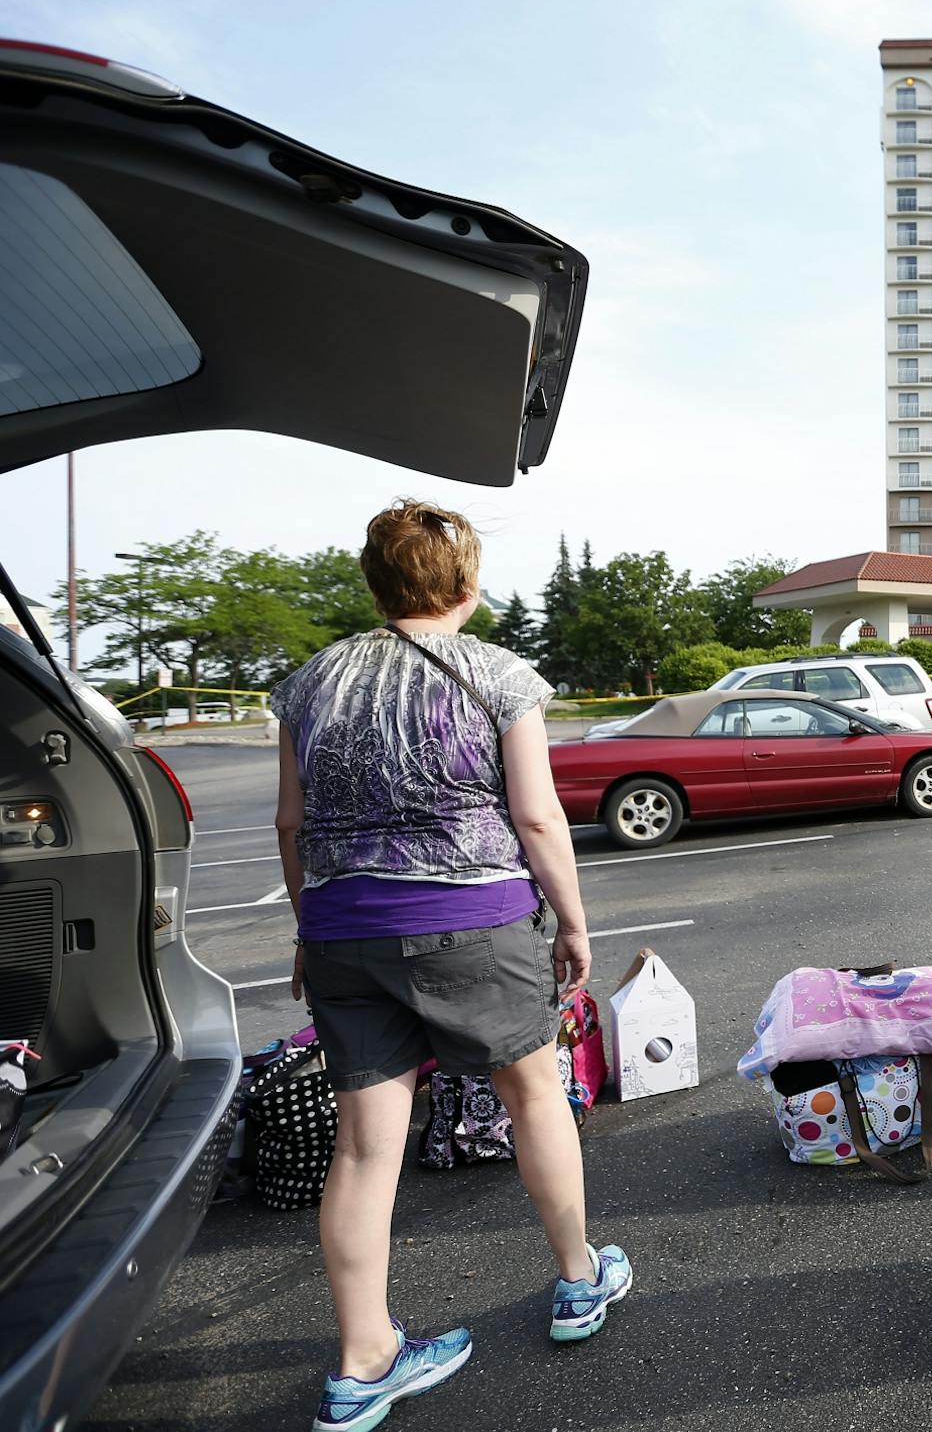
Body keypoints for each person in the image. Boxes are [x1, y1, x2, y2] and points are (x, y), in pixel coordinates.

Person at [271, 500, 630, 1432]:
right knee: (533, 1094)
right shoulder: (500, 674)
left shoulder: (311, 680)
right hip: (473, 913)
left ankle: (363, 1362)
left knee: (363, 1144)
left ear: (375, 582)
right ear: (467, 582)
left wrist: (312, 929)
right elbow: (540, 817)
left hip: (344, 922)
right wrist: (576, 923)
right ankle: (579, 1278)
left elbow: (291, 823)